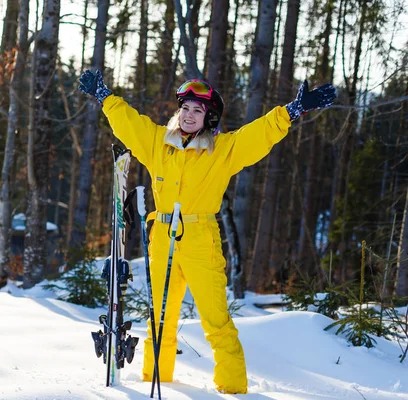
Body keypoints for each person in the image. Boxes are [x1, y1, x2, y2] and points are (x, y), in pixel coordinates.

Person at [78, 70, 336, 394]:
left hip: (201, 240)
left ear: (208, 118)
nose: (188, 115)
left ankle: (232, 388)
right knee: (159, 319)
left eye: (197, 111)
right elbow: (129, 123)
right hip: (162, 238)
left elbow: (257, 136)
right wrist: (104, 95)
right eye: (185, 108)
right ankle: (156, 383)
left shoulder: (223, 150)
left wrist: (291, 111)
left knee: (216, 322)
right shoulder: (159, 143)